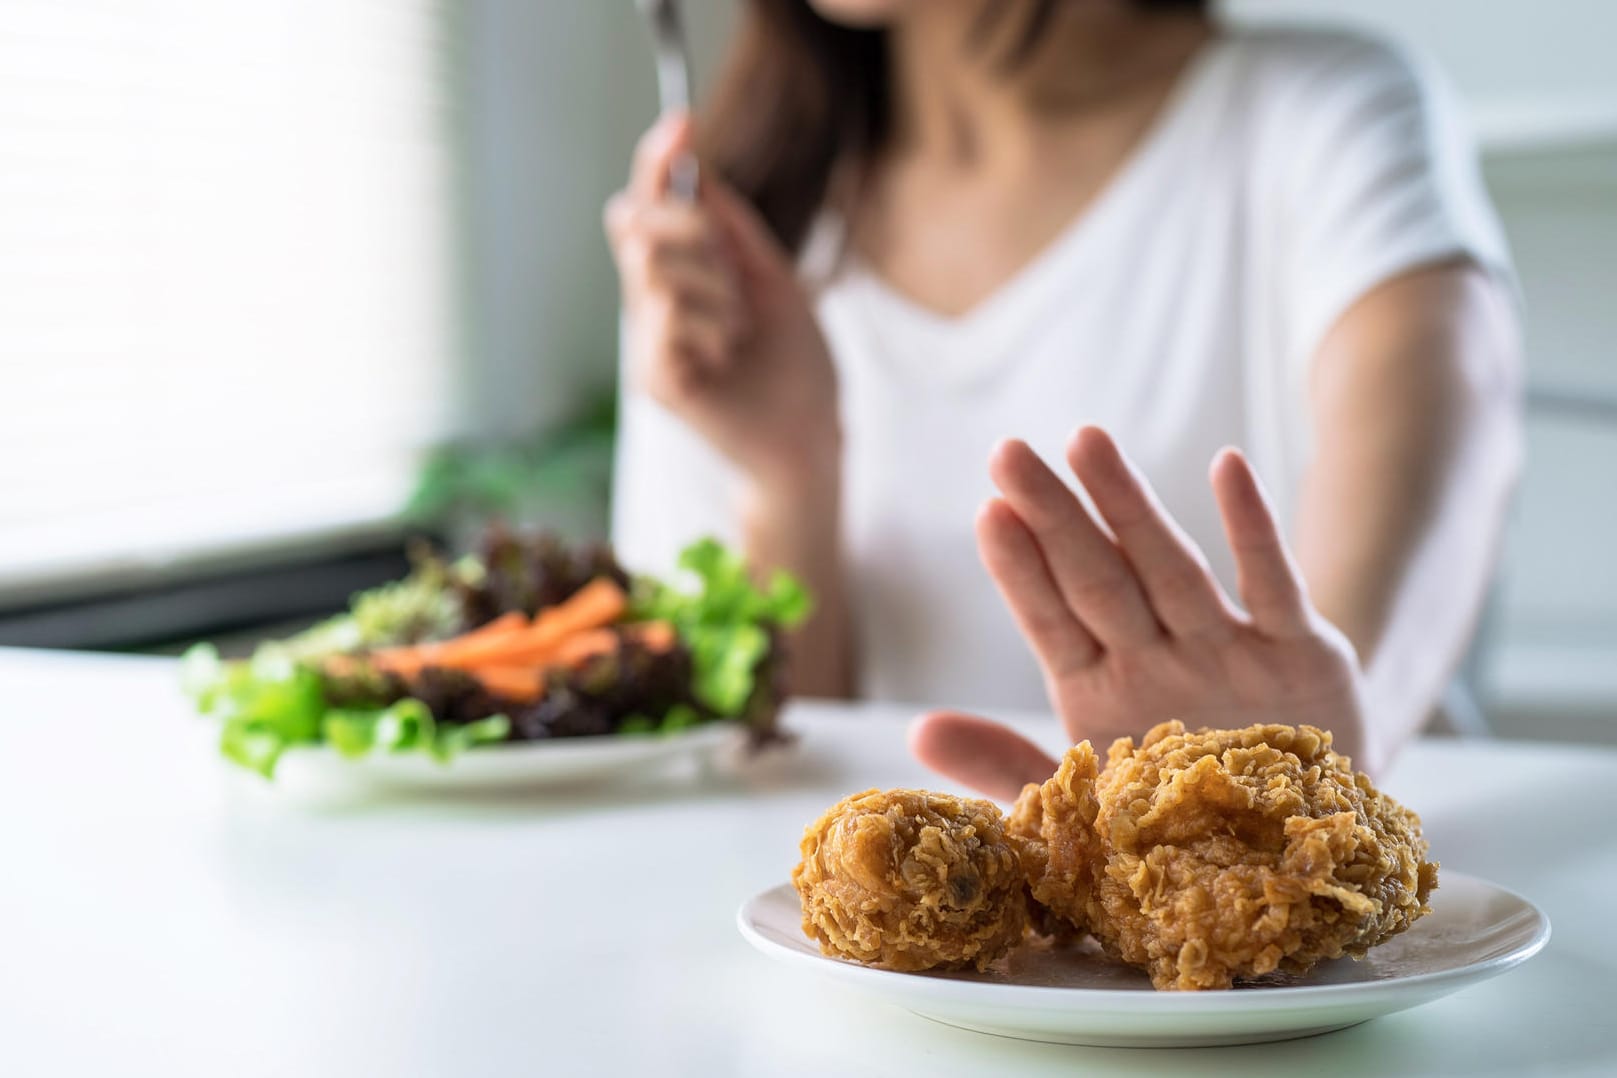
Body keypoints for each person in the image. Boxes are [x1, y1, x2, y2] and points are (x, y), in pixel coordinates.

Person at [604, 0, 1521, 795]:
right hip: (940, 980)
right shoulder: (733, 237)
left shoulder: (1322, 112)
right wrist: (786, 475)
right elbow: (770, 770)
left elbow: (1452, 419)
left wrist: (1315, 763)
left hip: (1324, 965)